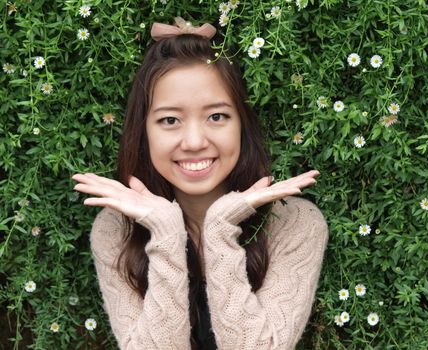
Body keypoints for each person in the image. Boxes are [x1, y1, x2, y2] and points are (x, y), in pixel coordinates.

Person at [72, 17, 328, 350]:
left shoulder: (293, 222)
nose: (194, 141)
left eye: (217, 116)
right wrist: (166, 234)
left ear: (242, 125)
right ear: (144, 132)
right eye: (169, 120)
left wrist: (220, 229)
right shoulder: (115, 230)